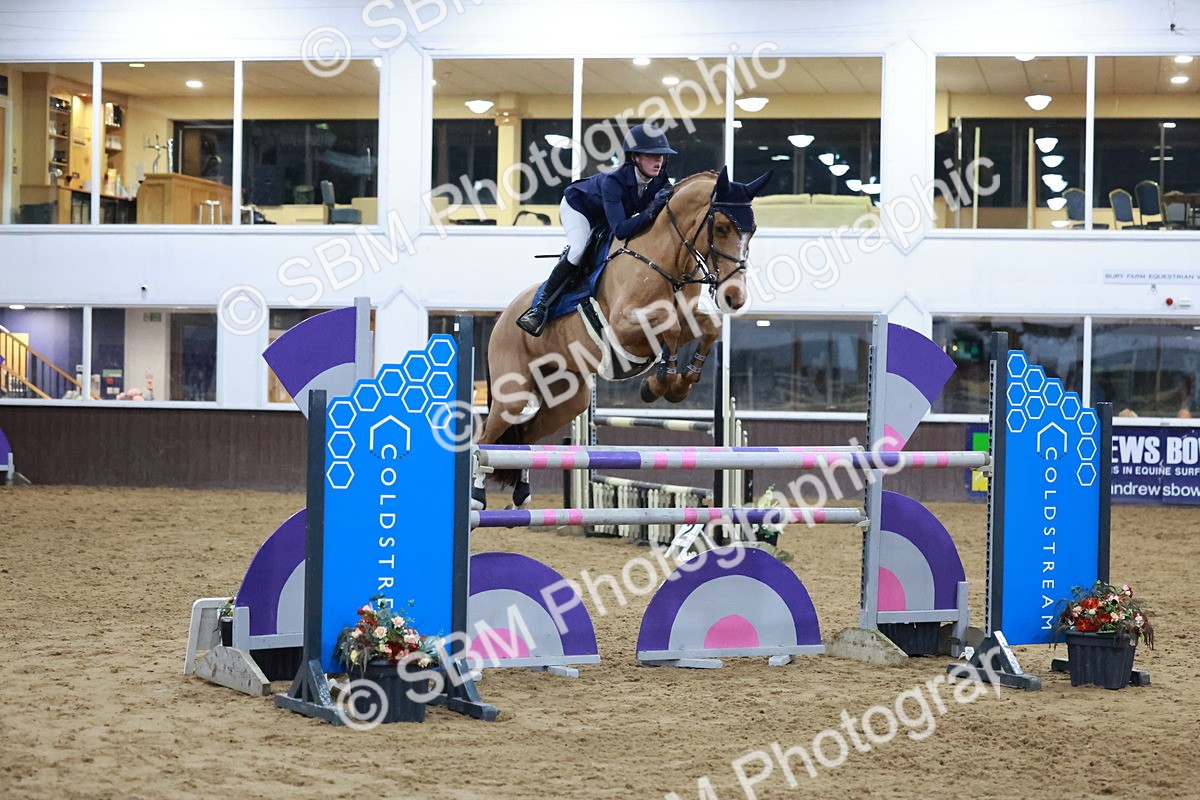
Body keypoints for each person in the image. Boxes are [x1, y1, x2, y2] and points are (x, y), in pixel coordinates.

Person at [516, 122, 677, 336]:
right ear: (635, 157)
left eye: (662, 156)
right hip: (580, 208)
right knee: (579, 249)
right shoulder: (614, 181)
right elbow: (620, 229)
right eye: (652, 155)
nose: (659, 161)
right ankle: (540, 307)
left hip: (608, 216)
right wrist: (652, 210)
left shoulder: (660, 180)